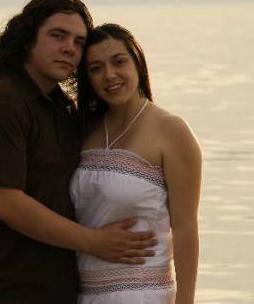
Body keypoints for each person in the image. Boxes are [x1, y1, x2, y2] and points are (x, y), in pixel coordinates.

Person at [0, 0, 157, 304]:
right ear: (27, 38)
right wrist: (95, 242)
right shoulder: (1, 104)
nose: (70, 48)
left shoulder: (59, 104)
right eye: (58, 36)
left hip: (53, 287)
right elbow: (6, 202)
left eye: (79, 41)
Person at [72, 23, 202, 304]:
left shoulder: (171, 130)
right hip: (83, 293)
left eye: (119, 62)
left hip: (142, 294)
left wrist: (186, 300)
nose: (109, 75)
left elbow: (185, 228)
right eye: (96, 68)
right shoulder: (83, 130)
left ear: (138, 63)